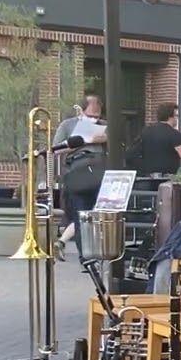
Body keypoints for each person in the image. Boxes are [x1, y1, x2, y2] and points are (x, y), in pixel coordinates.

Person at [52, 95, 108, 261]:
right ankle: (86, 256)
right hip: (78, 172)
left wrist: (105, 138)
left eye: (97, 116)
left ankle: (99, 253)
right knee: (81, 216)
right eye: (90, 116)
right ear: (81, 112)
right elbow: (55, 149)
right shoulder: (68, 125)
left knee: (100, 215)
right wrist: (84, 141)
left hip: (100, 171)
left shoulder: (105, 126)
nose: (93, 119)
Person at [134, 102, 181, 176]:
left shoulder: (145, 131)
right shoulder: (174, 134)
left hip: (148, 178)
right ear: (170, 117)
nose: (176, 119)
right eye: (176, 116)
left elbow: (135, 152)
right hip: (167, 178)